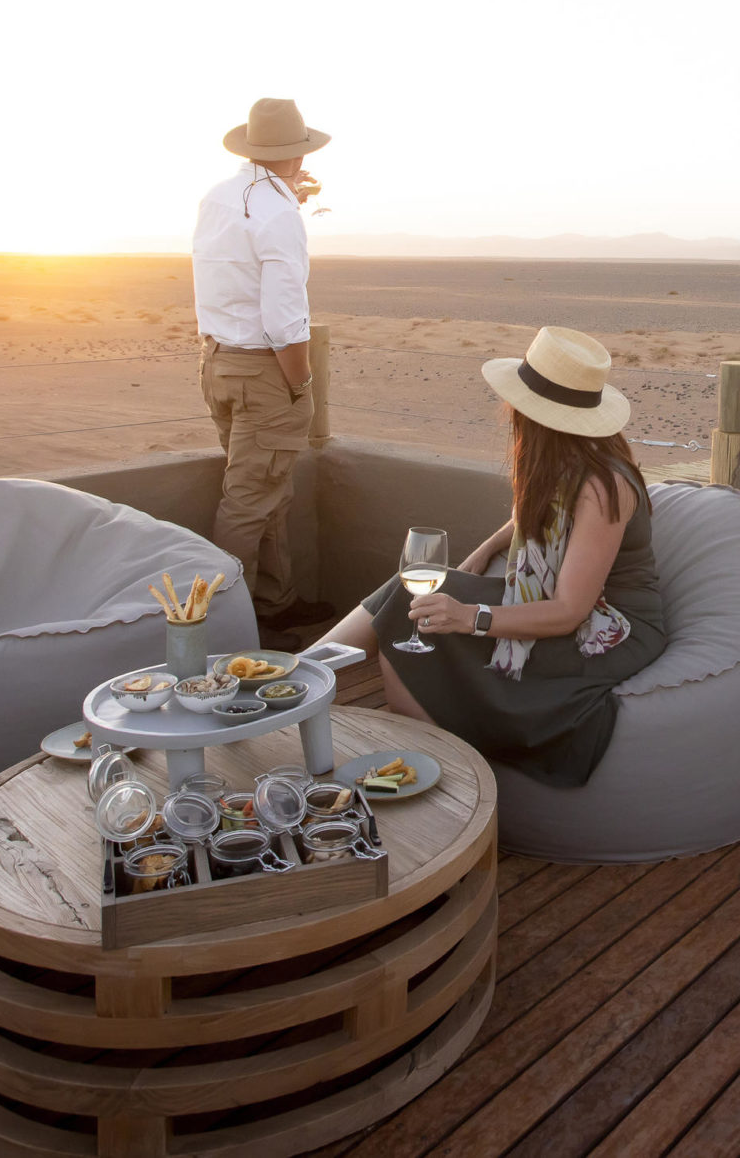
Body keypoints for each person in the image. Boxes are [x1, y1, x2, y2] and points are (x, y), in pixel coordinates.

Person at [320, 326, 667, 787]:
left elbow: (570, 611)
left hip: (609, 629)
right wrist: (487, 548)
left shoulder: (604, 486)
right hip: (561, 602)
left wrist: (471, 617)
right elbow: (533, 515)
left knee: (415, 615)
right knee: (415, 589)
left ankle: (425, 765)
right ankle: (304, 674)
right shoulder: (562, 460)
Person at [193, 97, 330, 644]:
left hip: (219, 363)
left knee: (270, 487)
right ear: (297, 156)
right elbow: (283, 320)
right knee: (249, 502)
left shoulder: (220, 197)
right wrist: (301, 384)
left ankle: (275, 602)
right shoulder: (280, 215)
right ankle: (222, 629)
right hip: (263, 371)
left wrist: (286, 193)